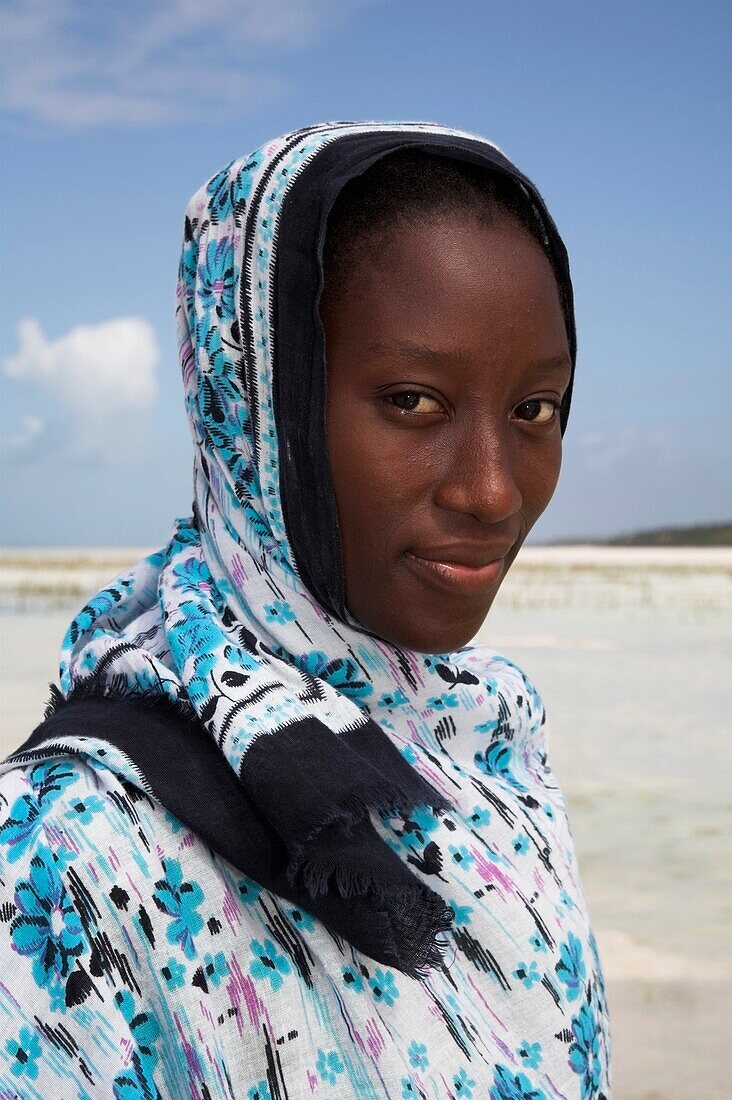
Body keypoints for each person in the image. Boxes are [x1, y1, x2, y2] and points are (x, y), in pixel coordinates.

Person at [0, 122, 610, 1098]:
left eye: (536, 408)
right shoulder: (68, 861)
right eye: (414, 400)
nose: (494, 490)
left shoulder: (496, 745)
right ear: (256, 403)